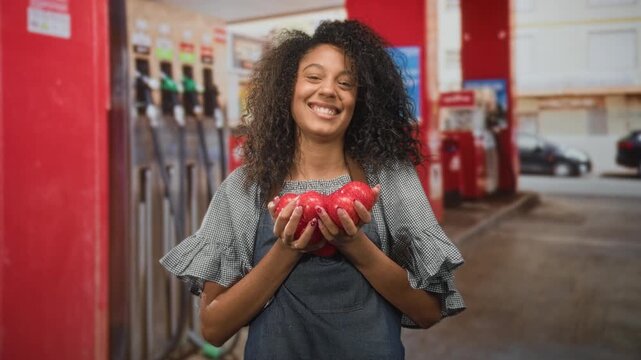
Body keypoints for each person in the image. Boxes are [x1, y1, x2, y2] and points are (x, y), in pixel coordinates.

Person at [160, 20, 465, 359]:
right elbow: (214, 328)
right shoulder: (245, 188)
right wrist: (286, 250)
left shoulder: (390, 179)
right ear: (287, 89)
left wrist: (355, 245)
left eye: (345, 83)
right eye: (314, 77)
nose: (328, 90)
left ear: (360, 99)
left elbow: (429, 311)